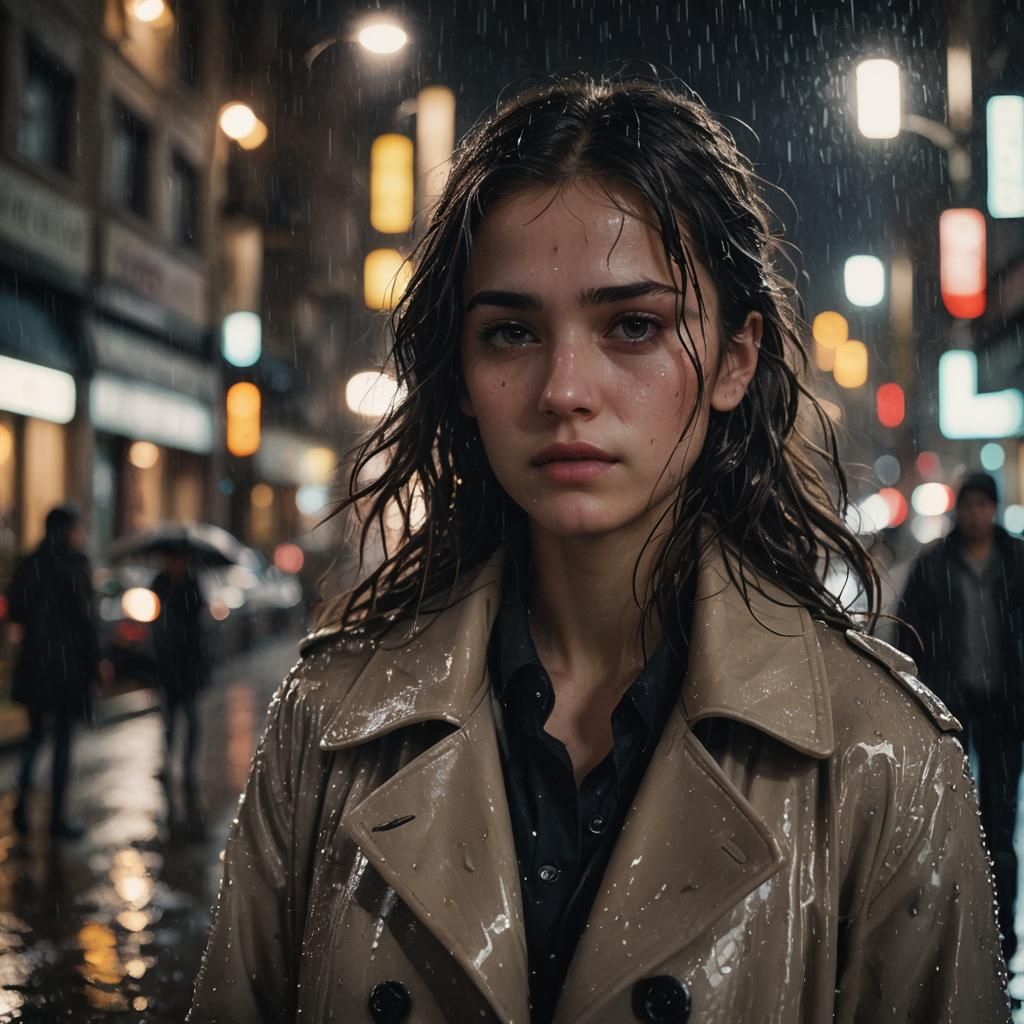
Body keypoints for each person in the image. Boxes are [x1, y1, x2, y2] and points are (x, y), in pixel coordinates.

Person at [190, 77, 1007, 1023]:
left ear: (737, 359)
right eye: (511, 332)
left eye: (633, 326)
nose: (564, 389)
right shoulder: (328, 729)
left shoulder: (882, 761)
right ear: (460, 374)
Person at [898, 472, 1024, 967]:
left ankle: (1001, 939)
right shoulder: (934, 565)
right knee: (949, 824)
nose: (976, 515)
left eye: (983, 506)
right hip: (949, 709)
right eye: (969, 505)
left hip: (1004, 708)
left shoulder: (1015, 562)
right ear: (959, 509)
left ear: (994, 509)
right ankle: (955, 941)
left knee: (1000, 826)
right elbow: (908, 633)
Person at [5, 505, 102, 841]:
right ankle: (56, 818)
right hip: (65, 667)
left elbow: (15, 610)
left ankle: (21, 806)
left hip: (35, 664)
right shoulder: (75, 565)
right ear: (68, 529)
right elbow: (86, 621)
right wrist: (94, 663)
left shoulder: (30, 563)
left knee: (34, 738)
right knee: (61, 741)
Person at [150, 544, 208, 787]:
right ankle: (168, 762)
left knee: (191, 715)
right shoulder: (159, 584)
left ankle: (188, 766)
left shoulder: (192, 586)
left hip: (188, 660)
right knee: (170, 717)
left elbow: (197, 623)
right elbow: (152, 615)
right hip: (167, 660)